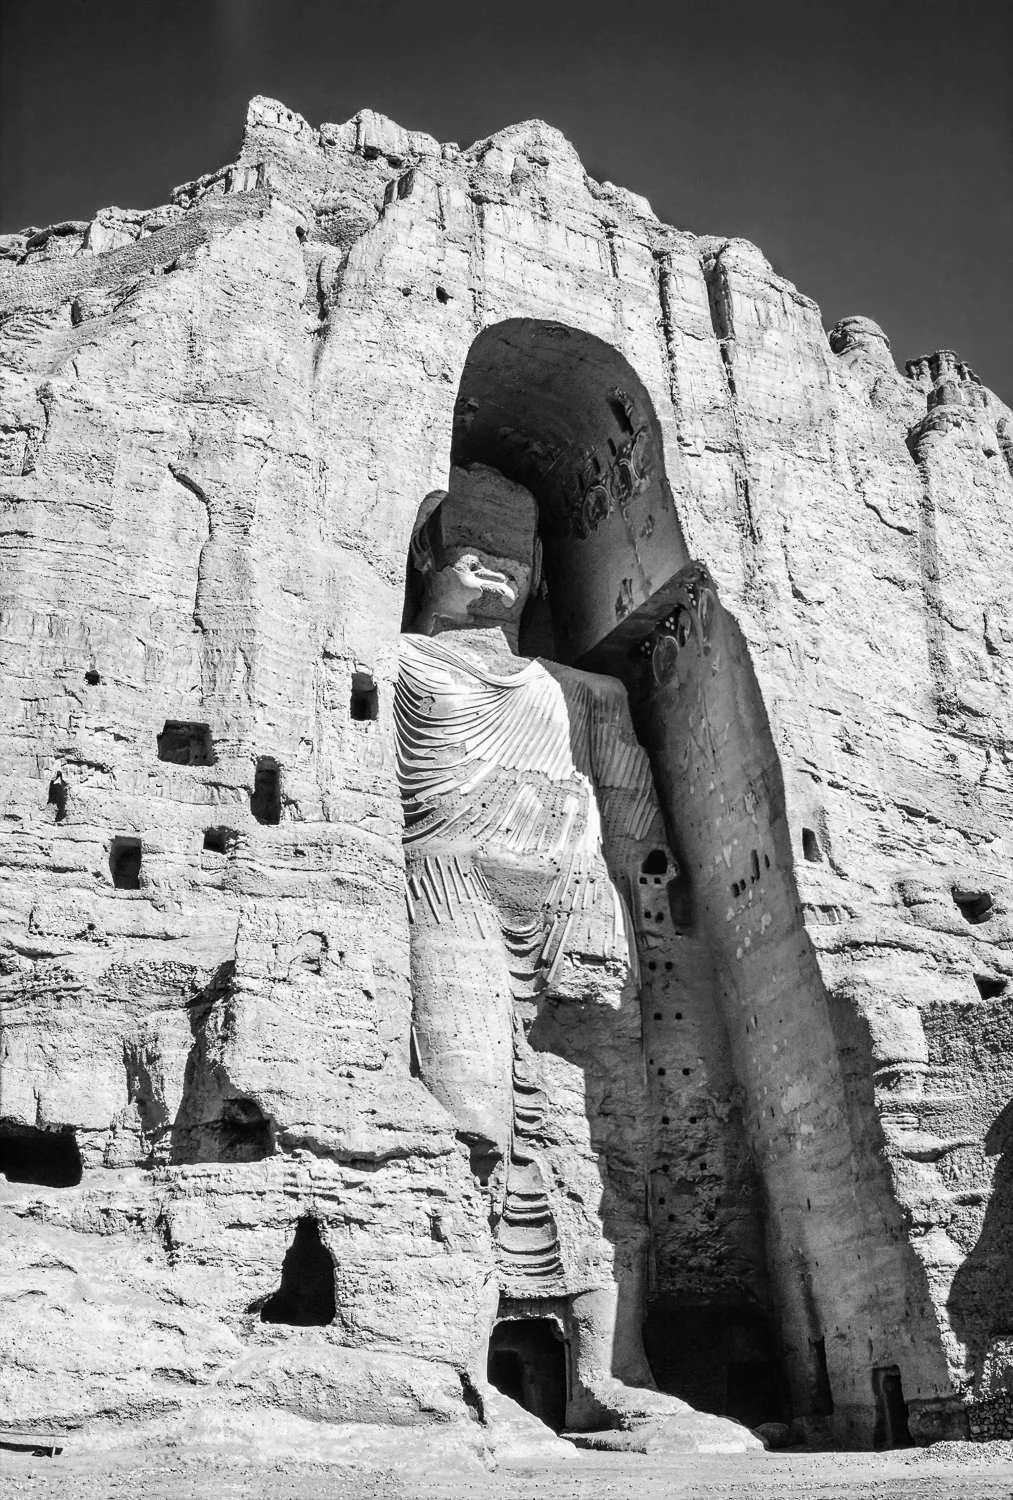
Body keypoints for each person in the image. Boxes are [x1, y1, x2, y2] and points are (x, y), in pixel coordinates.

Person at [396, 463, 689, 1429]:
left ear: (538, 580)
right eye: (466, 556)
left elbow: (635, 817)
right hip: (448, 888)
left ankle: (614, 1369)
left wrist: (641, 918)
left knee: (600, 1139)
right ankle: (449, 1359)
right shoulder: (396, 666)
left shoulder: (586, 692)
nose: (490, 576)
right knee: (465, 1114)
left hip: (576, 899)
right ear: (425, 563)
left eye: (510, 563)